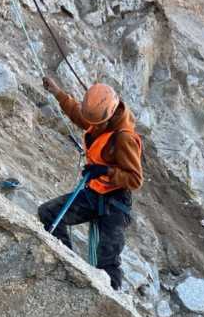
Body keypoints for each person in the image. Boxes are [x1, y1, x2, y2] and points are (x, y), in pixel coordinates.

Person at [38, 78, 143, 290]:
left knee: (107, 262)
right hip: (94, 193)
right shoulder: (100, 118)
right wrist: (58, 92)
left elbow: (135, 179)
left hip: (115, 203)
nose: (92, 127)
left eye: (97, 124)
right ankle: (65, 266)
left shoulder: (124, 138)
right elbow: (79, 114)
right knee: (49, 215)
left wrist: (106, 171)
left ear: (110, 115)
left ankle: (111, 302)